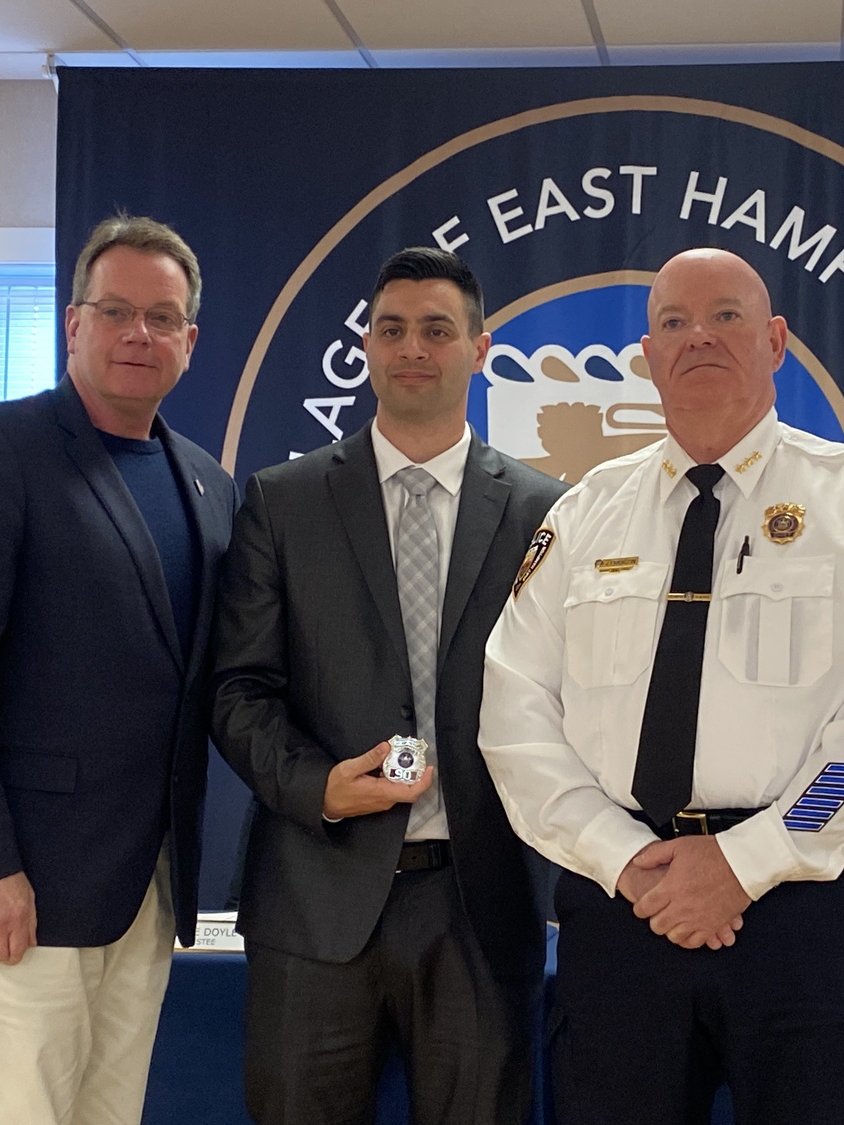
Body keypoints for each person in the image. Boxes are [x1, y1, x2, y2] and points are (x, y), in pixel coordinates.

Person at [479, 247, 844, 1124]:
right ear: (649, 358)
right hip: (629, 907)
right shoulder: (583, 515)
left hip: (810, 912)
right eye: (674, 323)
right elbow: (515, 719)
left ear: (776, 341)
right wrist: (622, 857)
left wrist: (746, 861)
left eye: (727, 316)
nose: (700, 336)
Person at [210, 247, 567, 1125]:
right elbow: (238, 688)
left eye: (438, 330)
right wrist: (316, 786)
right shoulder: (281, 500)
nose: (414, 346)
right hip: (313, 903)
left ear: (480, 351)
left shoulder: (547, 512)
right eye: (393, 328)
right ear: (366, 347)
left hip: (481, 905)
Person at [0, 214, 237, 1125]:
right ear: (73, 324)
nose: (140, 334)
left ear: (190, 341)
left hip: (147, 886)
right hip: (23, 888)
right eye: (116, 310)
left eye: (162, 317)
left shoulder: (205, 483)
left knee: (106, 1113)